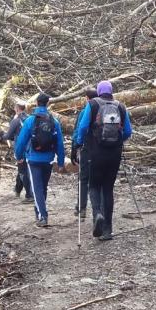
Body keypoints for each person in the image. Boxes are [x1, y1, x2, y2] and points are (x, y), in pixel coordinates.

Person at [74, 80, 132, 241]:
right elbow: (128, 131)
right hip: (114, 154)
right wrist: (118, 141)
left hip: (95, 153)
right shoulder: (120, 106)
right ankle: (108, 230)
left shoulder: (92, 104)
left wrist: (79, 142)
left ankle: (97, 214)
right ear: (111, 91)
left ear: (99, 91)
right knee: (108, 188)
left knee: (94, 185)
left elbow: (83, 126)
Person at [14, 92, 66, 228]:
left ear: (37, 103)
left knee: (37, 188)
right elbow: (60, 143)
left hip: (33, 159)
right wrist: (60, 162)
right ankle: (39, 213)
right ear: (48, 103)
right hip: (48, 159)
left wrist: (19, 156)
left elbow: (21, 141)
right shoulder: (54, 121)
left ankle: (42, 216)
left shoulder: (30, 120)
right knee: (42, 187)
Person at [0, 101, 32, 203]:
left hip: (20, 149)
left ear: (17, 109)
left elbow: (8, 136)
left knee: (23, 171)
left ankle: (29, 195)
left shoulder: (16, 121)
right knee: (22, 169)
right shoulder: (30, 118)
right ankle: (18, 189)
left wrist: (1, 135)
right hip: (31, 149)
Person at [73, 88, 98, 218]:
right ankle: (97, 211)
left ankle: (82, 208)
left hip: (87, 149)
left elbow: (79, 130)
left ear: (87, 98)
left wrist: (75, 146)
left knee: (83, 179)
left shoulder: (84, 112)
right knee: (97, 180)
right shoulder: (103, 110)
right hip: (102, 150)